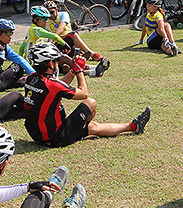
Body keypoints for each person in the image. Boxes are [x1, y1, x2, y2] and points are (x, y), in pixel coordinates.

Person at [23, 42, 151, 147]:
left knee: (93, 127)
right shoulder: (52, 85)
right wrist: (79, 71)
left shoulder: (31, 78)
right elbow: (84, 94)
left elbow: (58, 87)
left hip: (37, 134)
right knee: (91, 103)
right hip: (57, 136)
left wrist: (72, 71)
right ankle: (82, 126)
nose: (58, 63)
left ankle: (133, 126)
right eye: (56, 61)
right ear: (51, 64)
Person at [43, 0, 110, 76]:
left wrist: (51, 39)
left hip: (68, 42)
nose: (50, 15)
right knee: (66, 67)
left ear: (57, 9)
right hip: (59, 46)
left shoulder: (63, 15)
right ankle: (93, 68)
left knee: (73, 37)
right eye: (48, 13)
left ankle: (92, 59)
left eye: (52, 12)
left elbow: (61, 28)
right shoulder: (46, 22)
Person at [18, 6, 75, 81]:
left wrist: (20, 63)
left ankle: (66, 67)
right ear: (35, 19)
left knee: (60, 59)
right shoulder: (36, 30)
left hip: (35, 62)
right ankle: (83, 68)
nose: (47, 21)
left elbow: (22, 47)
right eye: (44, 19)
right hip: (36, 64)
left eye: (47, 19)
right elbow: (54, 36)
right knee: (63, 57)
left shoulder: (31, 30)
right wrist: (64, 44)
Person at [0, 19, 34, 91]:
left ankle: (18, 81)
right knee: (17, 66)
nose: (10, 37)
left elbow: (19, 59)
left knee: (20, 67)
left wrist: (34, 74)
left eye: (11, 33)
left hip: (0, 77)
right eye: (8, 33)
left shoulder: (4, 47)